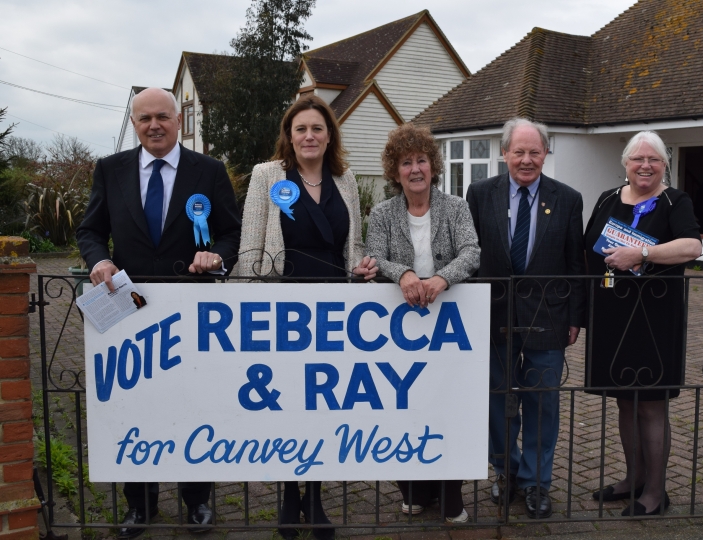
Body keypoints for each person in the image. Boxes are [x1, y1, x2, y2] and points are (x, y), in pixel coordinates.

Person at [76, 88, 242, 537]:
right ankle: (139, 503)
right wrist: (99, 261)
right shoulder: (110, 170)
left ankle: (196, 502)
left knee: (192, 400)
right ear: (134, 123)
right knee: (134, 403)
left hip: (189, 307)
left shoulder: (208, 171)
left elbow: (231, 232)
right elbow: (90, 229)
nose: (154, 125)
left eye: (163, 117)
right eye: (145, 118)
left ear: (178, 120)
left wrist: (215, 257)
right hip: (128, 308)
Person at [235, 94, 376, 540]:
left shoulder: (346, 178)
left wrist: (361, 269)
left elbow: (351, 245)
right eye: (301, 129)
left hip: (333, 308)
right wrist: (249, 301)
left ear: (329, 134)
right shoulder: (266, 176)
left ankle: (313, 496)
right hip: (282, 306)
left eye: (317, 128)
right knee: (285, 403)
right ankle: (288, 493)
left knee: (321, 403)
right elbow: (250, 245)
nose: (309, 136)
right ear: (289, 136)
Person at [466, 117, 585, 519]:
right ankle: (507, 472)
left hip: (548, 319)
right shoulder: (480, 194)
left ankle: (536, 483)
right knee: (496, 402)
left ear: (546, 154)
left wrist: (576, 317)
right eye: (519, 151)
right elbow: (470, 256)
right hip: (493, 316)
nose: (527, 160)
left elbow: (576, 263)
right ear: (504, 154)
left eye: (535, 151)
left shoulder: (567, 198)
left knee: (541, 404)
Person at [365, 123, 480, 523]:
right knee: (403, 407)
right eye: (406, 162)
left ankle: (451, 491)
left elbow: (471, 251)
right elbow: (375, 257)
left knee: (448, 406)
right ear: (395, 172)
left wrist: (441, 278)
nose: (415, 169)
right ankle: (413, 488)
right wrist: (405, 275)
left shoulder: (456, 207)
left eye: (422, 160)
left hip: (450, 326)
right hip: (400, 330)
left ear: (434, 165)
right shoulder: (382, 213)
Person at [584, 130, 702, 516]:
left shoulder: (674, 201)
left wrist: (641, 253)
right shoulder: (606, 199)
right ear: (626, 164)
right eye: (638, 159)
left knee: (651, 405)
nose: (645, 166)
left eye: (654, 159)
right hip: (613, 315)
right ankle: (633, 478)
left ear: (665, 164)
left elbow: (692, 246)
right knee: (624, 401)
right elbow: (589, 248)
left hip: (655, 317)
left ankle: (655, 491)